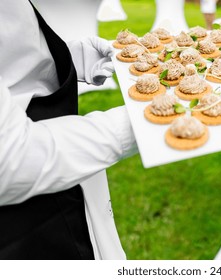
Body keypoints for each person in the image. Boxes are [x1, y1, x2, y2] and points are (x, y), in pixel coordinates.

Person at [0, 0, 137, 259]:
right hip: (19, 223)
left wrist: (70, 58)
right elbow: (6, 159)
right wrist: (137, 125)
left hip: (57, 173)